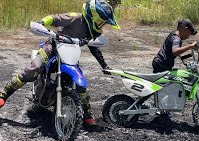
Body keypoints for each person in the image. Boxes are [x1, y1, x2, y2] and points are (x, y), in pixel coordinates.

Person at [0, 0, 121, 130]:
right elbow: (54, 18)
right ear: (94, 16)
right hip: (53, 46)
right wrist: (42, 23)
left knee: (81, 84)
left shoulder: (94, 31)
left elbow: (94, 47)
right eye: (102, 21)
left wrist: (104, 65)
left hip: (70, 52)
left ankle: (87, 114)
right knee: (34, 68)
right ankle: (4, 94)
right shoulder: (76, 17)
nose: (103, 25)